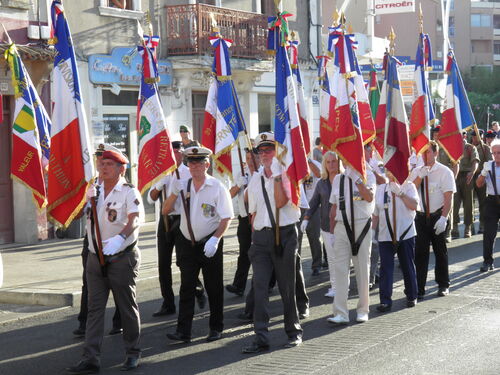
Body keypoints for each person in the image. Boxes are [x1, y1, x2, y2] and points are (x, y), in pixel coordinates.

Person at [67, 148, 144, 373]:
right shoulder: (95, 189)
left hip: (121, 257)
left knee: (126, 306)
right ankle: (91, 357)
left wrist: (120, 238)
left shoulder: (129, 192)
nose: (103, 167)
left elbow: (135, 219)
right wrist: (86, 200)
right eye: (101, 163)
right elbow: (81, 216)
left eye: (109, 164)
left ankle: (133, 352)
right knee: (94, 309)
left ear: (121, 169)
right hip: (94, 257)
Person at [163, 146, 233, 343]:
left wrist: (215, 239)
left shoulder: (217, 187)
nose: (194, 166)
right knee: (186, 288)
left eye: (199, 162)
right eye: (190, 162)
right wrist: (173, 192)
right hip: (187, 243)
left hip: (209, 241)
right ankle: (183, 331)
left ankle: (216, 327)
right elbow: (165, 211)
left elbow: (226, 218)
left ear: (207, 165)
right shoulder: (183, 185)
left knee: (214, 287)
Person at [241, 132, 303, 353]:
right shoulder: (256, 178)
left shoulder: (286, 173)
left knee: (287, 286)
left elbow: (279, 201)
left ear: (277, 151)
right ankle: (261, 336)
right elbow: (252, 210)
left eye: (269, 149)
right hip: (261, 238)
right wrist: (255, 240)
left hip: (284, 234)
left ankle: (293, 331)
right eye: (261, 151)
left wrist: (277, 176)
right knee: (259, 287)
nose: (265, 154)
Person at [148, 141, 206, 317]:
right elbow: (151, 199)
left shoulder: (188, 171)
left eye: (178, 152)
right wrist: (159, 185)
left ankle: (197, 289)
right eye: (172, 152)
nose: (175, 155)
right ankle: (168, 303)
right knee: (163, 263)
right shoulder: (161, 172)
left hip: (182, 219)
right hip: (165, 220)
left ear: (182, 154)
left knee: (183, 261)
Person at [73, 144, 121, 338]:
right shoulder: (91, 184)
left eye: (105, 160)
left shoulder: (119, 185)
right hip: (92, 240)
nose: (101, 163)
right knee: (89, 282)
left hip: (114, 241)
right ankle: (84, 322)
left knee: (118, 283)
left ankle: (119, 321)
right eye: (98, 159)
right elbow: (78, 214)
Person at [327, 161, 375, 325]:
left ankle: (363, 310)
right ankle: (340, 312)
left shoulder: (368, 175)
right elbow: (333, 207)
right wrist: (332, 232)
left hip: (362, 225)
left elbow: (369, 197)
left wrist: (358, 180)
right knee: (340, 269)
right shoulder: (338, 179)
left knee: (362, 269)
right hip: (342, 226)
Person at [411, 141, 456, 299]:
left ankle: (443, 284)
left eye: (428, 152)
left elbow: (448, 197)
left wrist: (444, 218)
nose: (425, 155)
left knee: (440, 252)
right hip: (421, 217)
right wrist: (419, 177)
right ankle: (419, 288)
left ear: (436, 153)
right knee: (420, 253)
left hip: (438, 215)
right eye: (423, 152)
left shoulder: (444, 172)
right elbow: (409, 191)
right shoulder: (417, 171)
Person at [373, 172, 419, 312]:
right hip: (386, 235)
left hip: (405, 233)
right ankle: (385, 300)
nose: (390, 172)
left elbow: (415, 205)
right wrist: (371, 232)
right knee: (386, 268)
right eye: (387, 169)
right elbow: (376, 213)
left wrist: (401, 194)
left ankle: (411, 295)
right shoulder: (381, 189)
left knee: (407, 265)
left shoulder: (409, 186)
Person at [302, 151, 339, 298]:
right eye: (328, 162)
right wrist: (306, 218)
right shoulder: (322, 184)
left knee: (342, 258)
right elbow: (314, 202)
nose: (331, 165)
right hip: (326, 225)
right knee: (331, 258)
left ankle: (343, 286)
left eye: (334, 161)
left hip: (342, 225)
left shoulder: (344, 180)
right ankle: (335, 286)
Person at [226, 146, 260, 297]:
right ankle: (239, 285)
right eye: (247, 159)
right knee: (244, 253)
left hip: (259, 219)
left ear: (258, 158)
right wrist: (238, 184)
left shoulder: (262, 174)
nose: (249, 162)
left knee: (262, 252)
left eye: (252, 158)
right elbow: (229, 195)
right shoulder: (242, 173)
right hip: (245, 219)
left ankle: (269, 282)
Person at [475, 140, 500, 272]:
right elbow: (479, 184)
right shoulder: (488, 166)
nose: (496, 155)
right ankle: (487, 261)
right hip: (491, 201)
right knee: (489, 233)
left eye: (499, 153)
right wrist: (484, 173)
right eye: (494, 153)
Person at [298, 158, 323, 276]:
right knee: (295, 239)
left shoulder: (314, 163)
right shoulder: (292, 162)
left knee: (314, 237)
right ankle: (295, 265)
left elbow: (319, 174)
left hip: (312, 206)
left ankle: (317, 265)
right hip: (297, 207)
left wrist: (307, 161)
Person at [451, 138, 479, 238]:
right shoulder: (451, 146)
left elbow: (475, 161)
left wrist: (472, 172)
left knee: (468, 203)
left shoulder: (470, 148)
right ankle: (454, 227)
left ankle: (468, 227)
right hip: (455, 176)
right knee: (454, 202)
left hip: (467, 176)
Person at [471, 129, 492, 234]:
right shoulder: (469, 147)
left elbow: (490, 163)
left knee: (482, 202)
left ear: (481, 137)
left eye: (477, 136)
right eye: (473, 136)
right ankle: (470, 226)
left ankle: (482, 224)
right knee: (469, 203)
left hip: (481, 177)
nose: (475, 138)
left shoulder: (486, 148)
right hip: (470, 178)